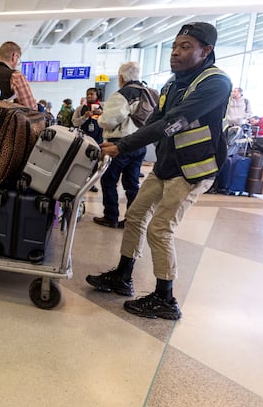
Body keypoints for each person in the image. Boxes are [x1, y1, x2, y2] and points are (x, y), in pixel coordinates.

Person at [85, 22, 232, 320]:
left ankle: (165, 298)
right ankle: (123, 277)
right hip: (166, 165)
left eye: (186, 47)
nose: (176, 53)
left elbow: (173, 121)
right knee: (136, 215)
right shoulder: (172, 83)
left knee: (160, 228)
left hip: (191, 170)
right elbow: (156, 119)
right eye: (175, 46)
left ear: (206, 51)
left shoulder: (215, 83)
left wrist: (123, 145)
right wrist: (121, 142)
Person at [93, 62, 148, 229]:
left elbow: (109, 121)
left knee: (109, 180)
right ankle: (132, 220)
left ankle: (111, 216)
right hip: (140, 142)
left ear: (122, 77)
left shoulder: (123, 94)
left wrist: (101, 118)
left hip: (120, 144)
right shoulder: (147, 92)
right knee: (132, 183)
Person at [0, 41, 37, 109]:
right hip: (3, 119)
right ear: (14, 56)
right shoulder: (16, 76)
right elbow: (31, 109)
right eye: (18, 59)